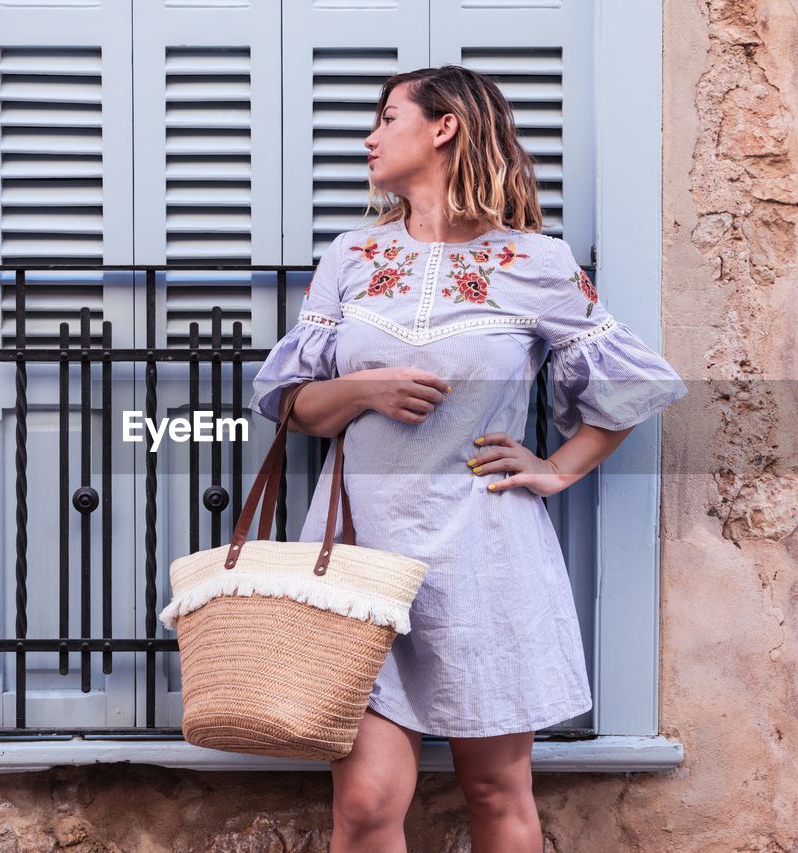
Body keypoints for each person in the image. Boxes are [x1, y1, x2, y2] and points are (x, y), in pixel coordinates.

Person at [246, 66, 687, 853]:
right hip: (361, 559)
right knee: (368, 803)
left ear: (443, 127)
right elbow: (294, 405)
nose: (369, 137)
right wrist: (363, 386)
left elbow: (636, 383)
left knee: (495, 788)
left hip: (487, 557)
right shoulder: (352, 256)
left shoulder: (537, 263)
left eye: (388, 117)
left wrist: (559, 465)